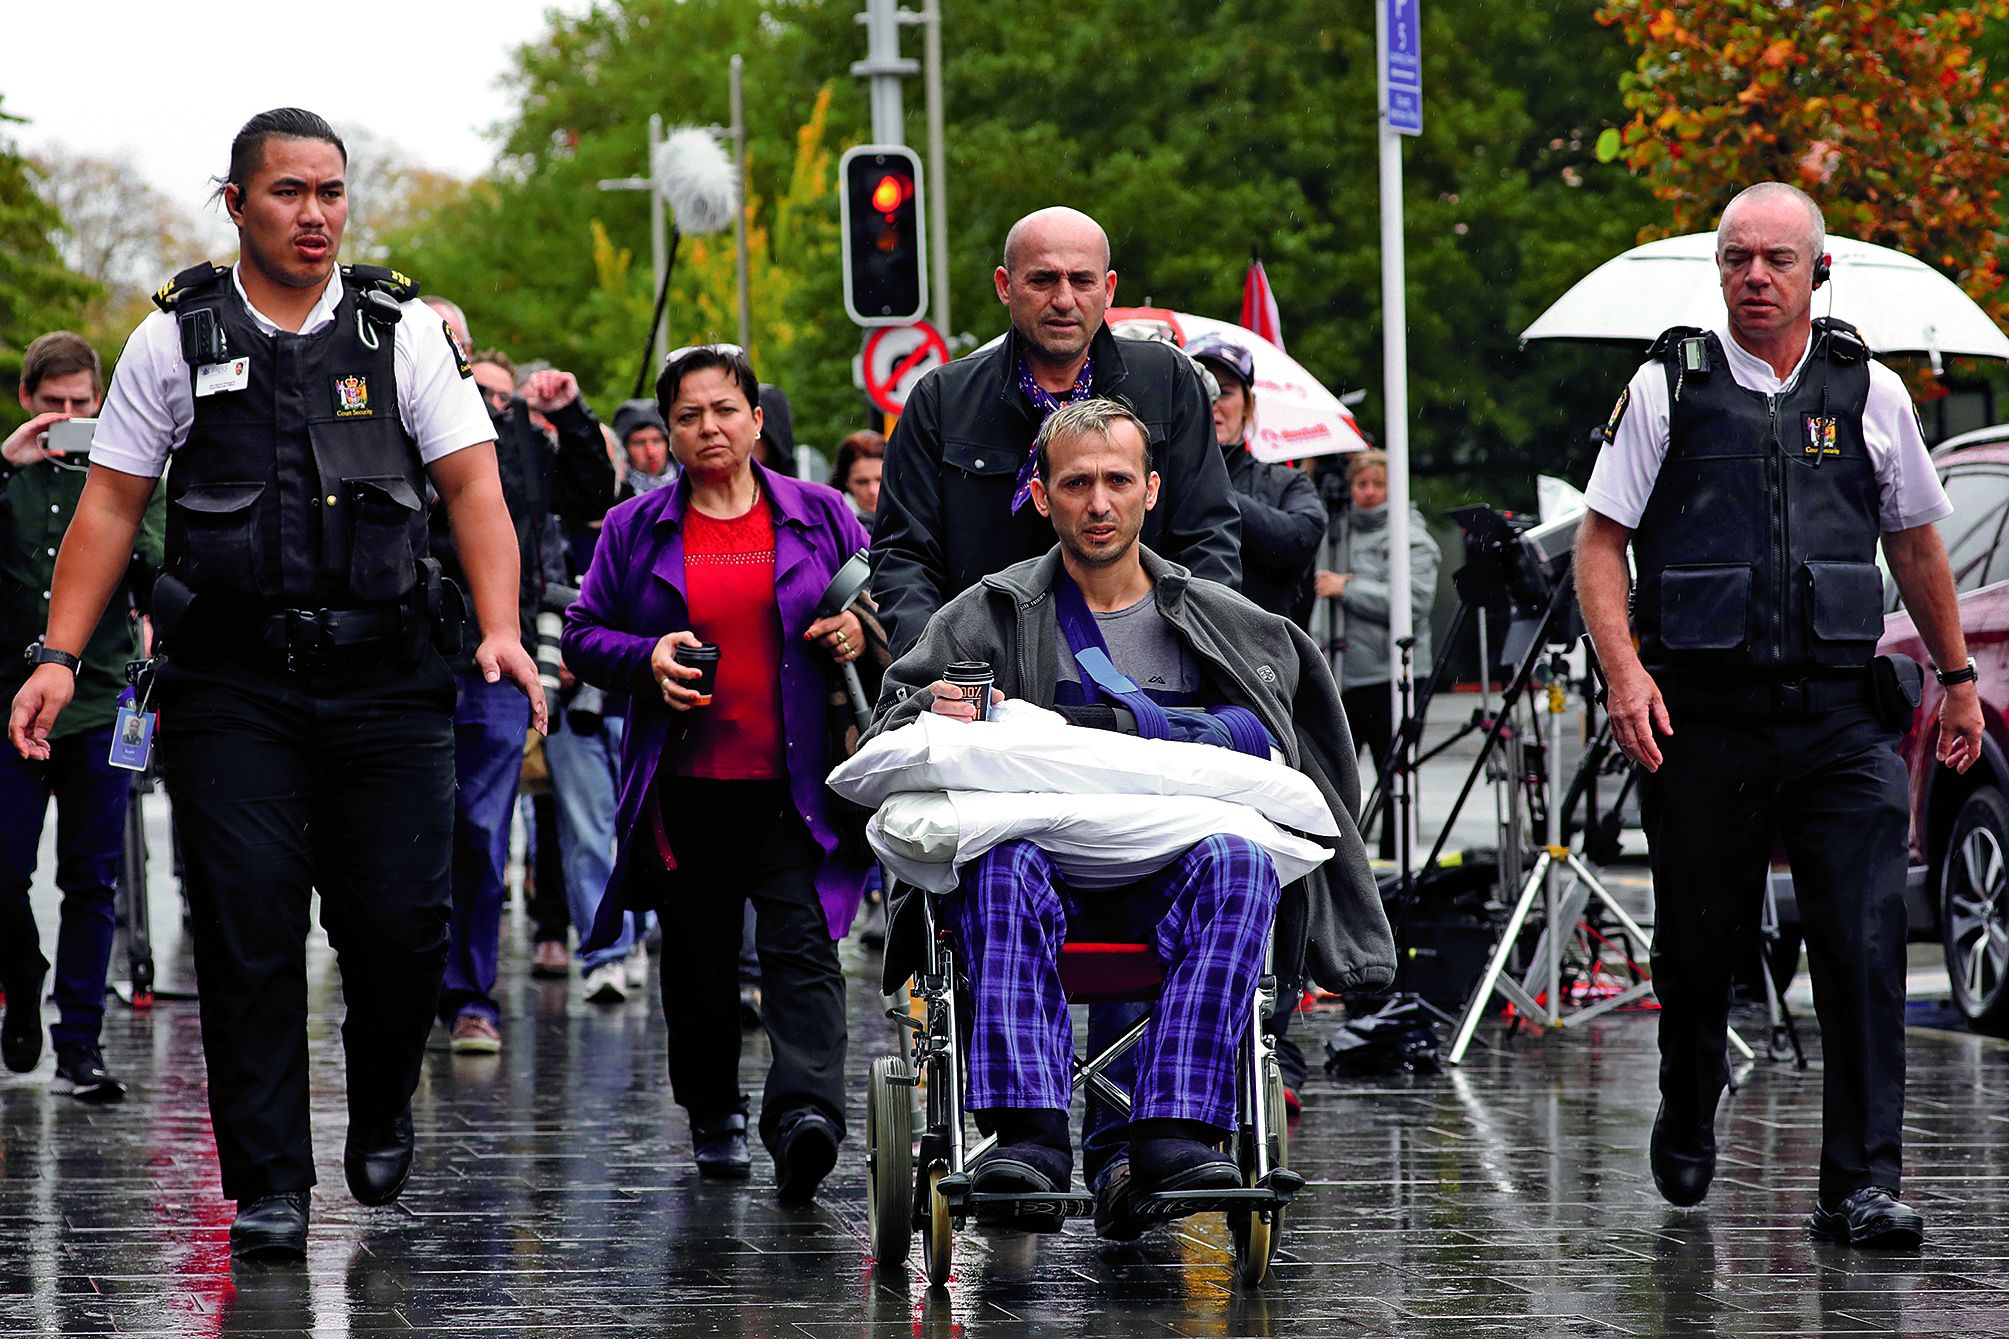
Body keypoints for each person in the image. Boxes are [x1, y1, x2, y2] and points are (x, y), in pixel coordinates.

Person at [6, 108, 543, 1260]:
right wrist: (57, 655)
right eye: (291, 192)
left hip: (389, 676)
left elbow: (473, 490)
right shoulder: (173, 337)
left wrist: (499, 629)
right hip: (231, 684)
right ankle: (269, 1186)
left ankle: (386, 1097)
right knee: (247, 932)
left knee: (403, 927)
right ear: (238, 202)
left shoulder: (398, 330)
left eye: (332, 192)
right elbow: (107, 505)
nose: (315, 213)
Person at [870, 398, 1393, 1238]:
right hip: (1040, 883)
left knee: (1240, 861)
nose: (1098, 501)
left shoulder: (1220, 618)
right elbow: (888, 731)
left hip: (1170, 883)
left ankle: (1173, 1132)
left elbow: (1288, 738)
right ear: (1040, 495)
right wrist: (928, 709)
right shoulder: (985, 614)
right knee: (998, 861)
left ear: (1151, 490)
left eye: (1117, 480)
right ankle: (1029, 1137)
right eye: (1076, 482)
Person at [1575, 182, 1981, 1249]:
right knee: (1699, 947)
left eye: (1774, 260)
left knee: (1861, 942)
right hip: (1700, 720)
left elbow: (1917, 545)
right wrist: (1625, 675)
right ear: (1716, 271)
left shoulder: (1867, 390)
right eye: (1735, 258)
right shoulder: (1669, 384)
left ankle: (1857, 1182)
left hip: (1840, 720)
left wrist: (1954, 677)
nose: (1753, 276)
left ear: (1816, 271)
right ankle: (1686, 1098)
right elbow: (1598, 542)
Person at [562, 345, 875, 1204]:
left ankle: (805, 1115)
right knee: (696, 965)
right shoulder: (635, 528)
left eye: (724, 409)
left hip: (794, 785)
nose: (709, 427)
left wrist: (854, 632)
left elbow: (872, 611)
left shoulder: (821, 514)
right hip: (684, 788)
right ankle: (712, 1111)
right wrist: (646, 654)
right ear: (668, 429)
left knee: (803, 953)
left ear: (756, 419)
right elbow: (585, 632)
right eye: (690, 414)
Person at [871, 205, 1242, 655]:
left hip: (1149, 674)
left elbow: (1209, 536)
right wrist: (940, 670)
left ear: (1108, 290)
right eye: (1043, 280)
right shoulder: (942, 400)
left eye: (1082, 281)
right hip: (990, 680)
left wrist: (1192, 654)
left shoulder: (1166, 382)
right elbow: (904, 558)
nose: (1064, 299)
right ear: (1005, 287)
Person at [432, 346, 614, 1052]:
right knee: (403, 837)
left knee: (480, 830)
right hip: (397, 661)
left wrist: (568, 416)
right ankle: (403, 990)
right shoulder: (383, 424)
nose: (484, 401)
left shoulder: (516, 447)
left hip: (492, 663)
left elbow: (591, 494)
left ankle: (471, 996)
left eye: (495, 393)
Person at [0, 333, 164, 1101]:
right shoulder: (8, 477)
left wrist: (124, 480)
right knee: (5, 869)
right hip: (9, 704)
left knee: (93, 879)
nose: (68, 415)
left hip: (100, 699)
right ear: (30, 401)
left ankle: (80, 1042)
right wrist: (8, 464)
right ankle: (22, 970)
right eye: (53, 404)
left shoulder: (127, 474)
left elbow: (159, 563)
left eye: (81, 404)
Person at [1314, 448, 1439, 860]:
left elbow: (1412, 603)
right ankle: (1344, 867)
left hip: (1393, 677)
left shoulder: (1411, 535)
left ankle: (1395, 863)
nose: (1368, 493)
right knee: (1337, 783)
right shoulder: (1335, 533)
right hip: (1342, 675)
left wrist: (1347, 588)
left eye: (1378, 485)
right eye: (1361, 484)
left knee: (1396, 783)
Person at [1185, 335, 1326, 626]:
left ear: (1248, 404)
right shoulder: (1156, 480)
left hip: (1262, 653)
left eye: (1224, 392)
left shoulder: (1287, 482)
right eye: (1203, 389)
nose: (1214, 403)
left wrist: (1213, 492)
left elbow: (1298, 542)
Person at [614, 398, 674, 498]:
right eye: (639, 443)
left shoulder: (693, 485)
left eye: (657, 441)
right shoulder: (614, 497)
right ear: (624, 449)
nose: (650, 452)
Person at [830, 430, 884, 525]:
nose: (872, 490)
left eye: (880, 480)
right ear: (846, 482)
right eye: (862, 482)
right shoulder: (834, 525)